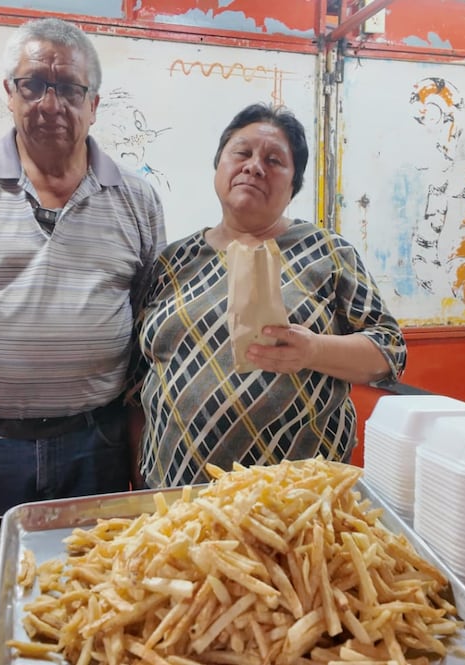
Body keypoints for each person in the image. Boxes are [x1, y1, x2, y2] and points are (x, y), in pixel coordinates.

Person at [0, 17, 166, 514]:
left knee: (93, 586)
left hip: (96, 448)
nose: (49, 104)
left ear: (93, 104)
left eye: (68, 89)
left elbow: (148, 334)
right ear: (10, 94)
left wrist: (140, 443)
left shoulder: (138, 199)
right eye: (33, 85)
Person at [130, 103, 406, 489]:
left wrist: (313, 351)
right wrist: (138, 484)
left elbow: (389, 352)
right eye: (241, 153)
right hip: (177, 501)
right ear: (219, 166)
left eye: (274, 160)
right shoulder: (173, 262)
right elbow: (137, 385)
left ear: (293, 185)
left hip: (297, 505)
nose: (254, 166)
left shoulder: (326, 252)